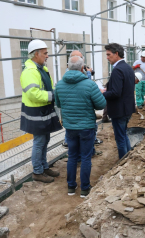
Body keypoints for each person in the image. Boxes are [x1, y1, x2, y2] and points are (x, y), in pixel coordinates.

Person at [54, 56, 106, 197]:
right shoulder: (89, 85)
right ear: (83, 68)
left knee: (72, 156)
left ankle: (71, 187)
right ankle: (84, 188)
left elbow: (58, 104)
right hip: (86, 127)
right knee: (85, 157)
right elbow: (101, 104)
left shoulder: (59, 85)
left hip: (70, 127)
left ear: (68, 67)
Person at [20, 40, 62, 183]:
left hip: (43, 110)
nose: (47, 56)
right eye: (45, 53)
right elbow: (33, 94)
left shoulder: (40, 69)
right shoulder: (30, 72)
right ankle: (37, 171)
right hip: (35, 112)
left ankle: (44, 167)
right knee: (39, 141)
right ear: (36, 54)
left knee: (45, 139)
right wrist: (53, 96)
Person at [61, 51, 103, 148]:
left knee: (73, 153)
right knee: (85, 152)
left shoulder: (73, 73)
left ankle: (71, 142)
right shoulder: (71, 74)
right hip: (80, 112)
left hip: (75, 113)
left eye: (80, 57)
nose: (80, 60)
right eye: (77, 57)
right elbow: (86, 86)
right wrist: (88, 74)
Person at [102, 43, 136, 159]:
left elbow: (116, 93)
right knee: (124, 134)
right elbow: (125, 88)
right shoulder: (127, 67)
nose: (107, 57)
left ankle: (123, 162)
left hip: (119, 110)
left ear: (116, 54)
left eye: (108, 54)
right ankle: (127, 159)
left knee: (120, 138)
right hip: (127, 108)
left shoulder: (117, 70)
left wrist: (103, 93)